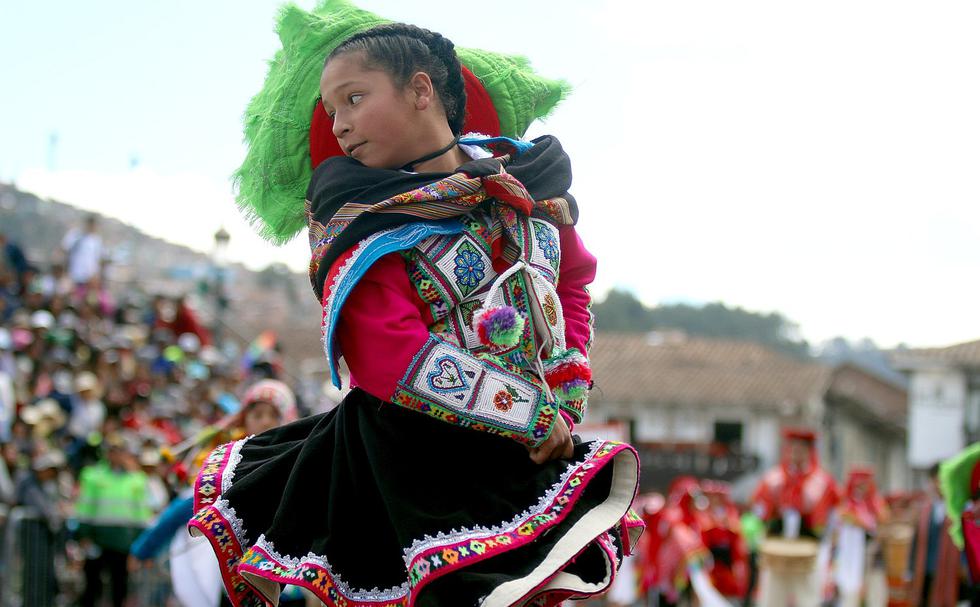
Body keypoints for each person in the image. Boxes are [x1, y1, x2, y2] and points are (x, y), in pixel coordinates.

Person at [188, 5, 642, 607]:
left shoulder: (525, 183)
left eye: (353, 98)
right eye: (332, 112)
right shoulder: (360, 220)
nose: (341, 126)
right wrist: (531, 414)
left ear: (421, 90)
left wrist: (566, 389)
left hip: (522, 458)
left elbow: (571, 284)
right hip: (408, 473)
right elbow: (391, 357)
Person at [133, 379, 302, 607]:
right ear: (245, 418)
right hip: (238, 570)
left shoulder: (300, 457)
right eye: (258, 414)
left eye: (273, 415)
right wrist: (144, 549)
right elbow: (191, 505)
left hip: (286, 571)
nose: (266, 421)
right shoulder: (233, 460)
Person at [751, 428, 839, 607]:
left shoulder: (821, 481)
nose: (796, 452)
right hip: (777, 550)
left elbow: (832, 515)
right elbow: (758, 511)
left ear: (809, 451)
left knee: (808, 599)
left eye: (801, 448)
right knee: (772, 600)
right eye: (792, 448)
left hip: (808, 551)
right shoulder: (773, 478)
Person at [75, 433, 154, 607]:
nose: (117, 455)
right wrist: (84, 535)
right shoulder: (92, 476)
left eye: (120, 451)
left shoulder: (137, 479)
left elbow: (141, 514)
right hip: (98, 539)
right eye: (113, 450)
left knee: (120, 586)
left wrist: (141, 544)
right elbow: (84, 508)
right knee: (91, 586)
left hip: (123, 541)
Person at [833, 467, 887, 607]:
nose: (861, 488)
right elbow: (839, 526)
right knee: (850, 597)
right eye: (858, 484)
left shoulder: (877, 503)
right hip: (851, 558)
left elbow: (883, 523)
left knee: (875, 595)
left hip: (872, 557)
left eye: (865, 484)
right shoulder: (845, 505)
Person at [909, 462, 961, 607]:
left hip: (948, 571)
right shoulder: (924, 511)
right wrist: (910, 570)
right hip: (925, 570)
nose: (939, 485)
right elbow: (915, 542)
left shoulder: (956, 511)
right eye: (937, 480)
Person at [61, 213, 103, 287]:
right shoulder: (75, 234)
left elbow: (98, 260)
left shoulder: (96, 241)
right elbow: (64, 249)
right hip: (73, 275)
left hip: (88, 279)